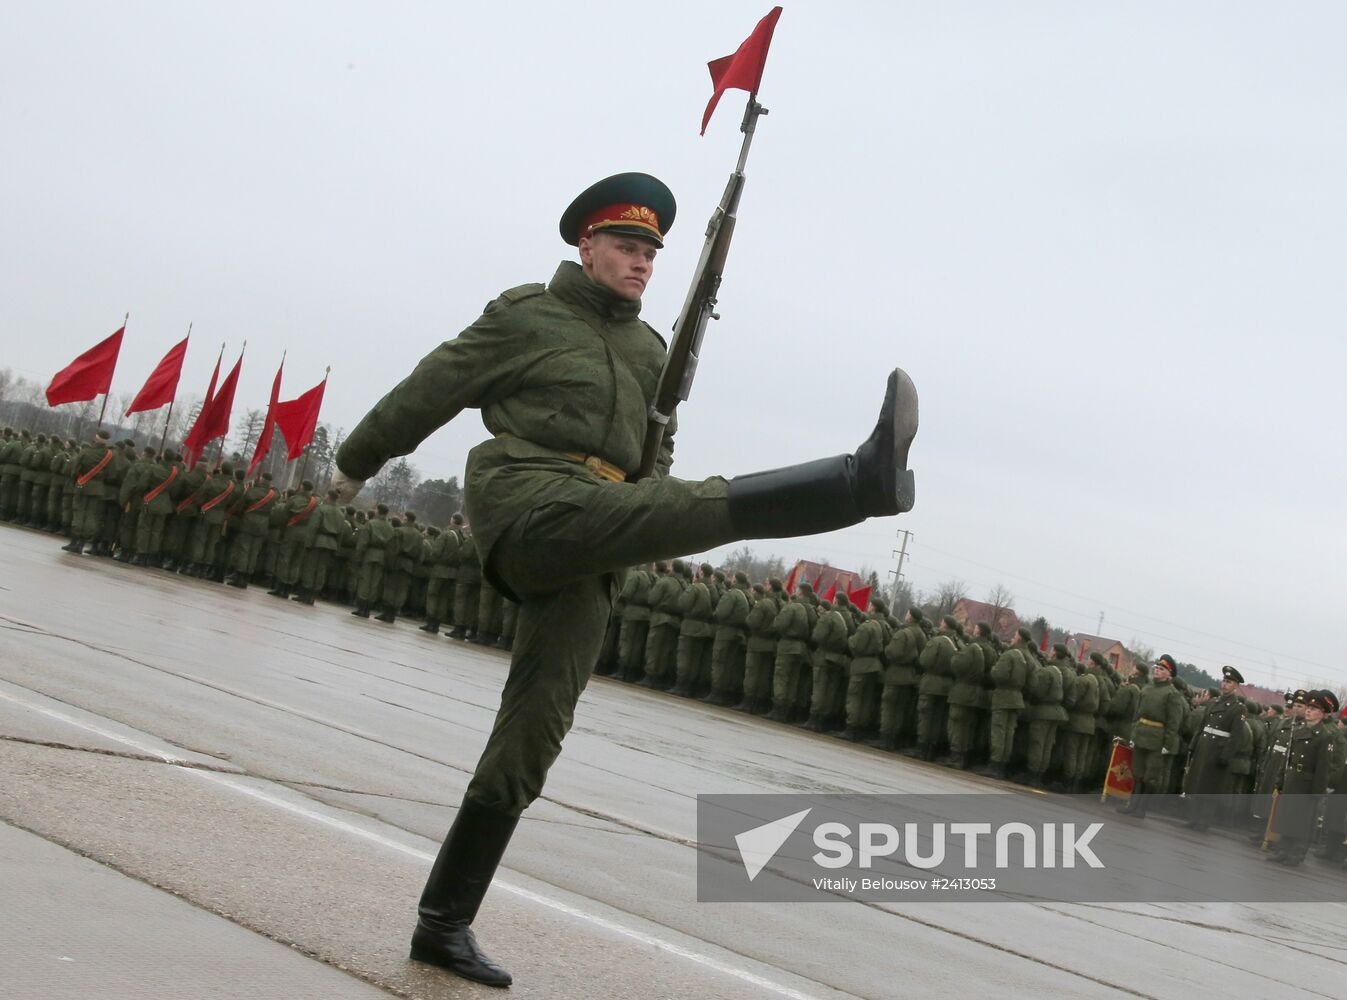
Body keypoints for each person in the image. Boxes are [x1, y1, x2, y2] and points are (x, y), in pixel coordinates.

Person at [329, 172, 918, 987]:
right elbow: (429, 389)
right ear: (586, 246)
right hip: (530, 504)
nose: (641, 262)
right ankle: (853, 484)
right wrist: (354, 464)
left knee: (532, 738)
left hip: (600, 530)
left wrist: (649, 492)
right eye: (626, 247)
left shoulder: (649, 352)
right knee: (697, 502)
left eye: (650, 252)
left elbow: (652, 463)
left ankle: (443, 923)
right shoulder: (525, 315)